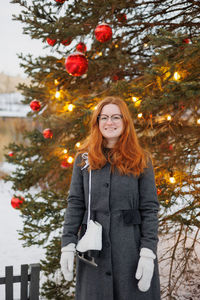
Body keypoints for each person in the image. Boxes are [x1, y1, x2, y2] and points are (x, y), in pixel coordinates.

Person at [60, 96, 160, 300]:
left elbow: (149, 209)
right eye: (103, 117)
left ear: (125, 122)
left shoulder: (141, 160)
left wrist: (148, 252)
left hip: (131, 253)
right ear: (97, 122)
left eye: (116, 117)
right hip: (94, 253)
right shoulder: (83, 160)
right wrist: (68, 244)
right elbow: (76, 203)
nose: (109, 122)